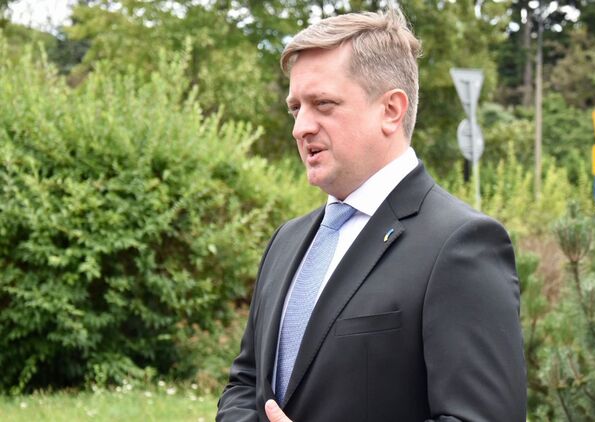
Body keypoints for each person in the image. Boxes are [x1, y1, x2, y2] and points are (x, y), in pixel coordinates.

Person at [216, 7, 526, 422]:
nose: (300, 127)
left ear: (391, 110)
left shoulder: (461, 245)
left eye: (323, 104)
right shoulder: (286, 241)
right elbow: (245, 383)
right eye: (296, 108)